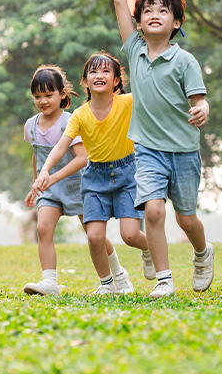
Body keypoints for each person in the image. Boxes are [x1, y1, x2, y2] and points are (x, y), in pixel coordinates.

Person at [112, 0, 214, 300]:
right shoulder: (134, 50)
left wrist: (201, 111)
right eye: (148, 11)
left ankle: (202, 253)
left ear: (176, 23)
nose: (154, 15)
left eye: (163, 11)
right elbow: (119, 2)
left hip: (184, 151)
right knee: (153, 212)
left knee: (186, 219)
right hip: (148, 149)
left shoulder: (185, 61)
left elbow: (200, 101)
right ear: (139, 23)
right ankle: (165, 279)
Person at [34, 53, 156, 295]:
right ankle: (107, 284)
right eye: (93, 72)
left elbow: (151, 89)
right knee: (95, 237)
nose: (99, 75)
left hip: (126, 175)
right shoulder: (79, 115)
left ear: (117, 80)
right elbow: (61, 146)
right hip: (95, 178)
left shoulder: (128, 102)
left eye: (105, 72)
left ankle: (149, 250)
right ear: (85, 82)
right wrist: (45, 171)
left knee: (130, 235)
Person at [22, 64, 130, 296]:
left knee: (94, 236)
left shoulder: (72, 121)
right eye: (37, 96)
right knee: (43, 228)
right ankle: (49, 281)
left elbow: (82, 159)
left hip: (78, 185)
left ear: (63, 94)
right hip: (49, 189)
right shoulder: (31, 126)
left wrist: (52, 177)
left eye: (49, 95)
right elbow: (37, 157)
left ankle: (118, 273)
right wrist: (36, 184)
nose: (43, 101)